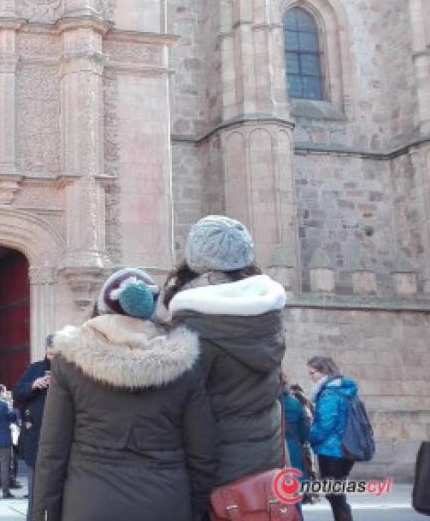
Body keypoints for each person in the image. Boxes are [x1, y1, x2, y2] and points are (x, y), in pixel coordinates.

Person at [32, 267, 217, 521]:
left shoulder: (71, 361)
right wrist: (193, 509)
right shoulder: (184, 364)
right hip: (165, 502)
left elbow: (52, 453)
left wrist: (43, 514)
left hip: (89, 504)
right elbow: (202, 453)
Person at [164, 215, 287, 487]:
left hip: (214, 474)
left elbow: (181, 411)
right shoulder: (268, 318)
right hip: (266, 465)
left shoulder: (194, 324)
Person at [308, 356, 359, 521]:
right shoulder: (344, 389)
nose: (311, 376)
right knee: (336, 494)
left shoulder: (329, 393)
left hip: (331, 451)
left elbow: (324, 425)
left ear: (324, 371)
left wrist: (309, 437)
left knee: (335, 496)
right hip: (345, 450)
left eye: (312, 372)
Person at [14, 335, 55, 520]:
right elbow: (18, 393)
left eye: (56, 353)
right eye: (49, 352)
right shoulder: (36, 368)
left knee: (57, 492)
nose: (52, 356)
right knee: (35, 491)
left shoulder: (70, 370)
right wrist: (34, 384)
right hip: (35, 438)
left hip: (60, 439)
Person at [281, 373, 312, 516]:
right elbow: (305, 434)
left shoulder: (262, 405)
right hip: (293, 453)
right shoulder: (295, 403)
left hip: (268, 454)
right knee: (294, 496)